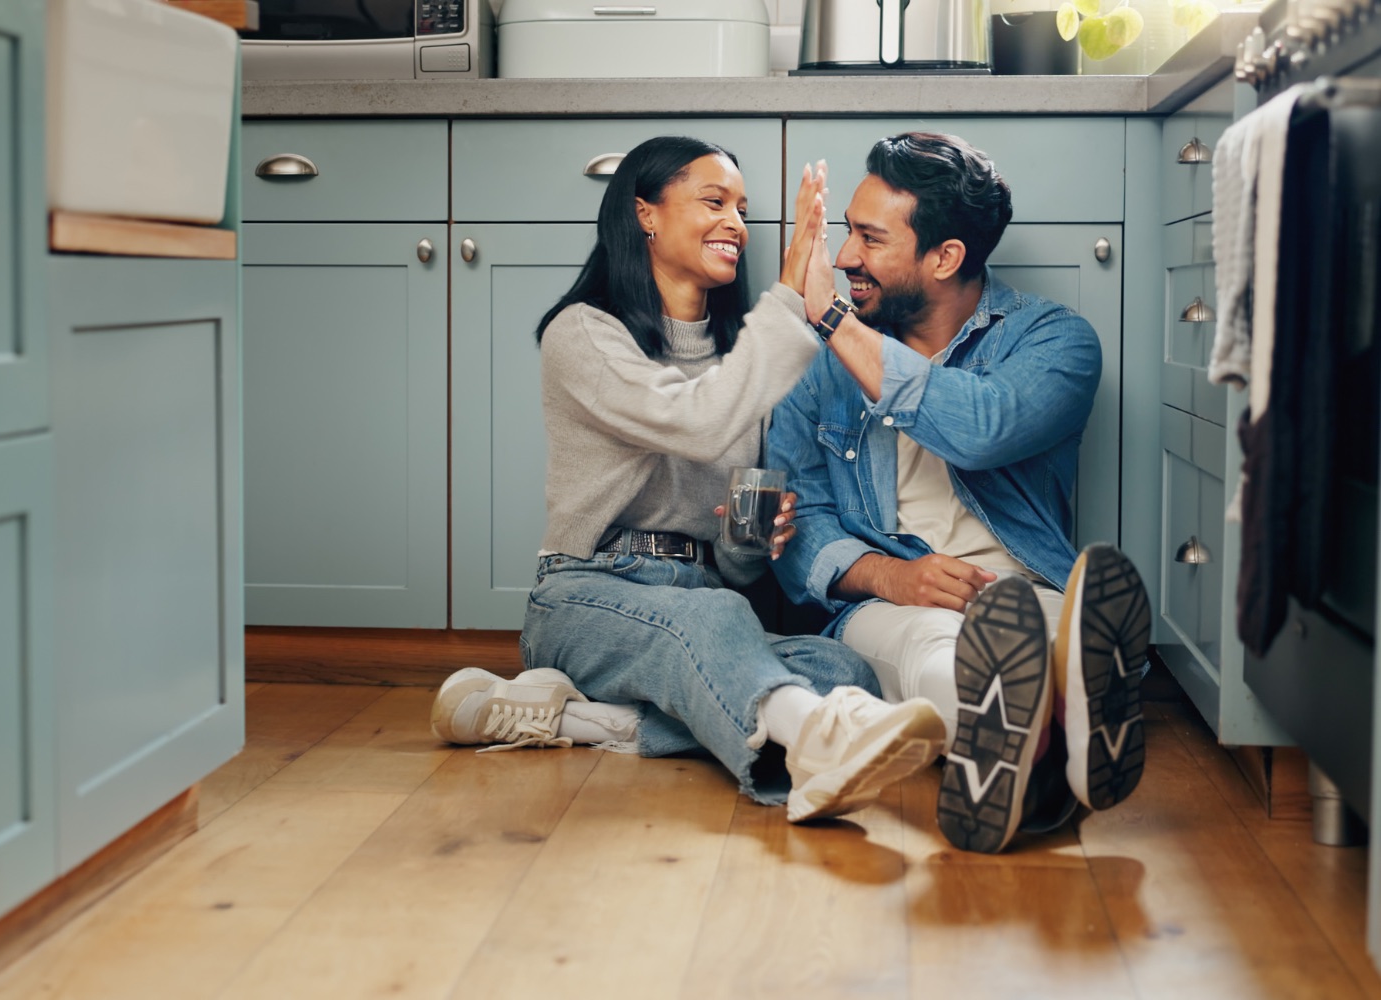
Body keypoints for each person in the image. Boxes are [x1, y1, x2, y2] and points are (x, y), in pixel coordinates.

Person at [430, 135, 949, 823]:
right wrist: (792, 300)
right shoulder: (584, 334)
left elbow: (732, 566)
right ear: (645, 213)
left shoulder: (744, 360)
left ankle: (588, 723)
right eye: (715, 201)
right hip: (588, 597)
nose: (736, 223)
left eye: (742, 208)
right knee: (718, 623)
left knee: (845, 674)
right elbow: (697, 423)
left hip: (703, 602)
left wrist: (751, 538)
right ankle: (814, 746)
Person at [766, 131, 1152, 854]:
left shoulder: (1055, 342)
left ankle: (1049, 725)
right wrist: (893, 576)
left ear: (944, 257)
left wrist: (830, 318)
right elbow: (796, 531)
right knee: (931, 644)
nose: (844, 257)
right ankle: (1050, 745)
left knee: (1050, 634)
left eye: (869, 238)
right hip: (888, 605)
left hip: (1021, 589)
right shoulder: (817, 370)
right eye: (846, 231)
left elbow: (981, 427)